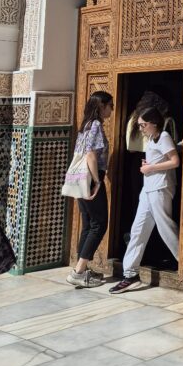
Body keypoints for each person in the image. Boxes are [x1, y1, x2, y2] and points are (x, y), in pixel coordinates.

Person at [109, 105, 180, 293]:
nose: (141, 128)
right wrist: (149, 165)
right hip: (148, 188)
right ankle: (130, 274)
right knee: (138, 229)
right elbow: (159, 161)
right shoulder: (151, 139)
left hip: (160, 188)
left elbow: (175, 161)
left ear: (154, 123)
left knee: (166, 228)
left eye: (143, 125)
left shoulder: (163, 137)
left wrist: (151, 168)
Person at [66, 90, 114, 288]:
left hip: (78, 178)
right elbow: (91, 155)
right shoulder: (94, 125)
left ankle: (81, 268)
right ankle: (78, 272)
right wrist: (97, 181)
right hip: (89, 178)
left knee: (88, 223)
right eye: (110, 105)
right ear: (101, 106)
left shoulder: (85, 125)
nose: (112, 109)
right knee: (99, 224)